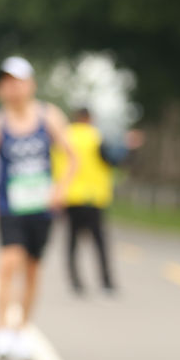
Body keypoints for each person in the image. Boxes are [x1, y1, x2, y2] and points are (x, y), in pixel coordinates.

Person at [0, 56, 77, 360]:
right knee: (7, 263)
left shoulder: (49, 117)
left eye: (17, 82)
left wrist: (61, 188)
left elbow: (72, 157)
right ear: (0, 90)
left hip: (41, 207)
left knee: (31, 270)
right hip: (9, 207)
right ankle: (2, 331)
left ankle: (22, 329)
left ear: (30, 85)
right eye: (6, 83)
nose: (12, 88)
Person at [51, 107, 141, 294]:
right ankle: (106, 281)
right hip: (93, 197)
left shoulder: (64, 137)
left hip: (70, 196)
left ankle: (76, 282)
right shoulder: (96, 138)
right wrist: (129, 147)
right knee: (99, 242)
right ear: (90, 119)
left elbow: (53, 165)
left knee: (72, 240)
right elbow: (113, 160)